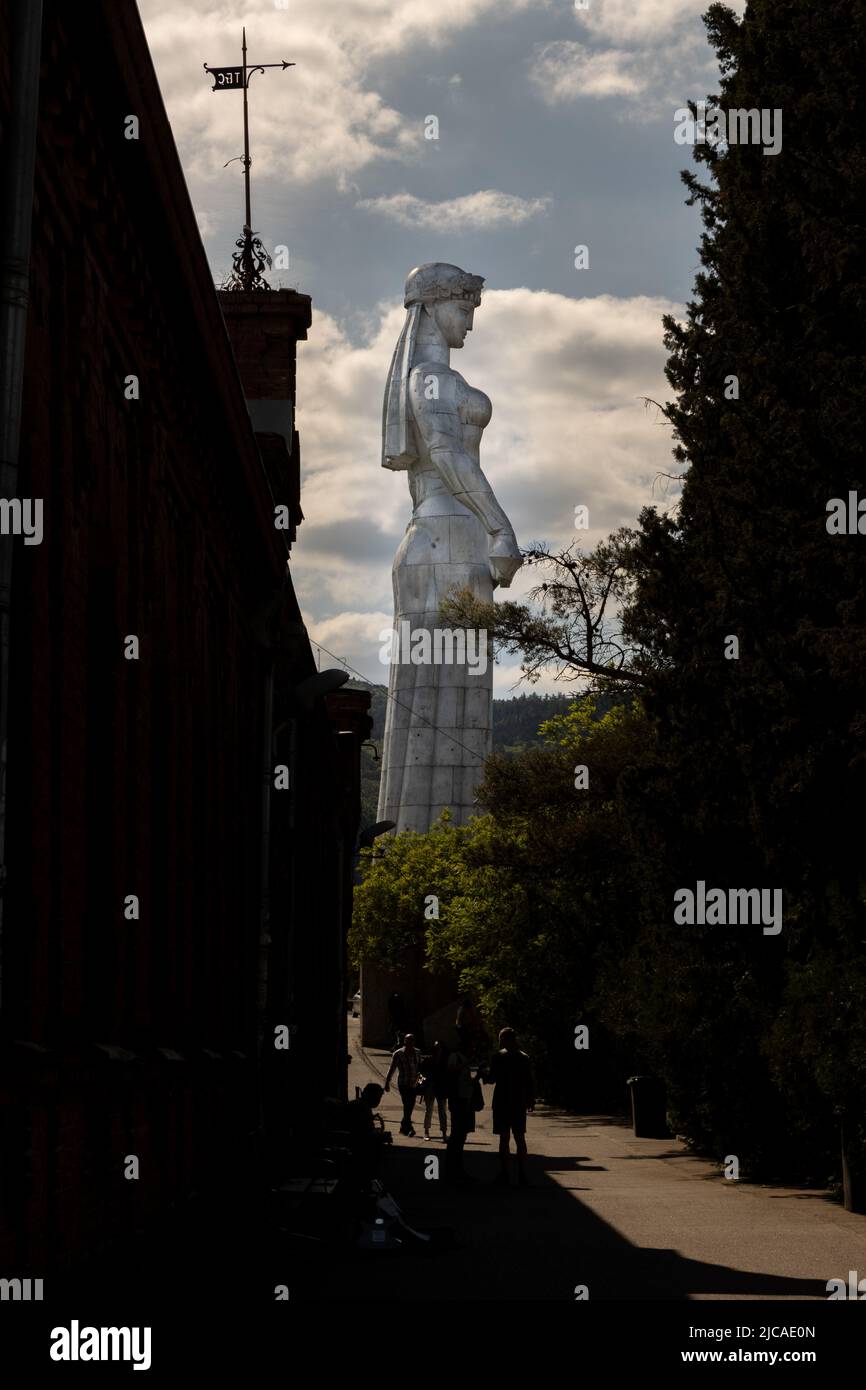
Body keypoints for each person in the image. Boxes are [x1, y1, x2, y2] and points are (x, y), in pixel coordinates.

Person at [487, 1027, 535, 1188]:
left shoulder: (498, 1057)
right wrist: (530, 1100)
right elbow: (529, 1081)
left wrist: (483, 1074)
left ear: (505, 1039)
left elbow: (491, 1079)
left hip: (501, 1101)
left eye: (500, 1038)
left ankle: (505, 1173)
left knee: (504, 1138)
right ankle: (522, 1173)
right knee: (520, 1137)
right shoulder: (524, 1057)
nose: (499, 1041)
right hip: (518, 1102)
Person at [445, 1045, 477, 1184]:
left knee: (462, 1135)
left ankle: (458, 1169)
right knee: (456, 1135)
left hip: (466, 1101)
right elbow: (451, 1071)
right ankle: (451, 1170)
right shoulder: (455, 1057)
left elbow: (467, 1081)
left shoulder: (464, 1059)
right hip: (457, 1100)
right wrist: (467, 1063)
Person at [384, 1032, 423, 1136]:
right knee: (407, 1105)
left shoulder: (418, 1052)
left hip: (414, 1085)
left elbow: (420, 1070)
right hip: (403, 1084)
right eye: (407, 1041)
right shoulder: (398, 1054)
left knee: (410, 1106)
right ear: (404, 1041)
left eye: (412, 1041)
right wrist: (387, 1082)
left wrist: (420, 1083)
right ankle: (409, 1128)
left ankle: (403, 1127)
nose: (410, 1043)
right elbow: (392, 1068)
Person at [421, 1040, 450, 1141]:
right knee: (428, 1110)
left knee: (442, 1111)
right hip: (429, 1088)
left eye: (439, 1048)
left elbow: (448, 1076)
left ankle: (444, 1133)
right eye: (436, 1048)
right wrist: (422, 1086)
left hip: (441, 1089)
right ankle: (426, 1132)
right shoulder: (428, 1060)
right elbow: (420, 1074)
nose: (437, 1050)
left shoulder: (445, 1061)